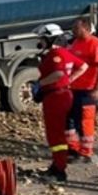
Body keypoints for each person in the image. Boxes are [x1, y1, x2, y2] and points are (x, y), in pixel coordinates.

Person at [34, 23, 88, 182]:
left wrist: (41, 83)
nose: (41, 42)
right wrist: (70, 80)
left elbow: (58, 73)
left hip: (55, 97)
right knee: (59, 132)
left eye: (42, 39)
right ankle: (57, 164)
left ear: (48, 38)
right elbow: (83, 66)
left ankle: (59, 170)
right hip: (62, 95)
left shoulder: (55, 54)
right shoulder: (64, 52)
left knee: (55, 134)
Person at [66, 16, 98, 161]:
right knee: (69, 119)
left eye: (76, 28)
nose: (73, 31)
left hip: (87, 90)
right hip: (72, 88)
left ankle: (86, 152)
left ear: (86, 28)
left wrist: (97, 89)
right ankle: (73, 148)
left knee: (85, 122)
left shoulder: (96, 45)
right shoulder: (75, 43)